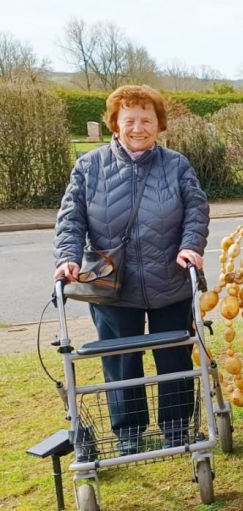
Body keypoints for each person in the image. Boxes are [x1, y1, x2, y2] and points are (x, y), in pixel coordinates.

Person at [53, 85, 210, 454]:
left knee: (173, 355)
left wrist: (191, 246)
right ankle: (128, 433)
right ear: (115, 124)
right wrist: (68, 256)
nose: (138, 128)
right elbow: (71, 219)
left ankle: (175, 427)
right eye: (130, 121)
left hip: (169, 280)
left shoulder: (176, 164)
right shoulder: (89, 167)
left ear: (159, 125)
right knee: (121, 361)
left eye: (146, 120)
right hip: (111, 285)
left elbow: (196, 210)